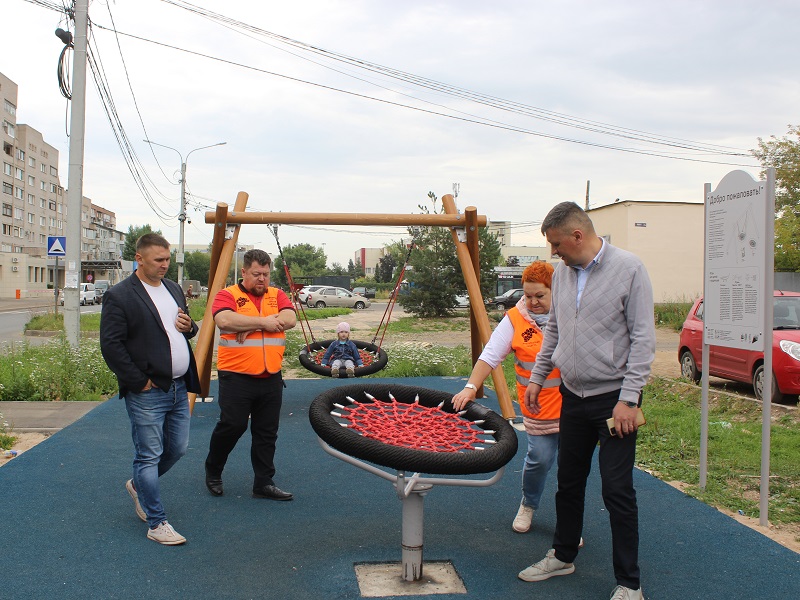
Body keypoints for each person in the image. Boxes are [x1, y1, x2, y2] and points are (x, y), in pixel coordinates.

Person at [518, 202, 655, 600]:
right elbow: (555, 331)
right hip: (572, 395)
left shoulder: (629, 268)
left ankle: (629, 583)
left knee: (616, 489)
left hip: (615, 401)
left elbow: (644, 339)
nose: (554, 253)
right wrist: (539, 378)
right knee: (569, 480)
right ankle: (563, 555)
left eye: (557, 244)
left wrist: (629, 399)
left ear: (577, 235)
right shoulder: (562, 275)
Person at [100, 233, 200, 546]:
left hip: (178, 385)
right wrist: (138, 382)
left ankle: (138, 485)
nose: (165, 265)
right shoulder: (120, 295)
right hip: (148, 391)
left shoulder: (171, 288)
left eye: (167, 259)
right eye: (158, 260)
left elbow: (184, 328)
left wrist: (190, 327)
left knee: (177, 449)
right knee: (149, 455)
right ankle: (157, 523)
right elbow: (111, 345)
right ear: (139, 259)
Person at [452, 261, 563, 535]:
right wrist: (470, 386)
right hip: (539, 408)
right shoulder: (516, 319)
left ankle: (569, 524)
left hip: (574, 408)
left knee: (572, 469)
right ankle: (528, 503)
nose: (533, 302)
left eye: (540, 296)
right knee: (539, 459)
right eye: (528, 296)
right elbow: (490, 355)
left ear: (555, 291)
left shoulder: (570, 316)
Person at [204, 249, 297, 501]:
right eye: (256, 274)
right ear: (244, 272)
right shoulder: (228, 294)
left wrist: (251, 323)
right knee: (232, 425)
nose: (261, 279)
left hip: (271, 376)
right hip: (236, 376)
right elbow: (224, 320)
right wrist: (265, 323)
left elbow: (290, 318)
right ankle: (213, 469)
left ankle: (263, 482)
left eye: (266, 274)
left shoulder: (277, 294)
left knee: (267, 432)